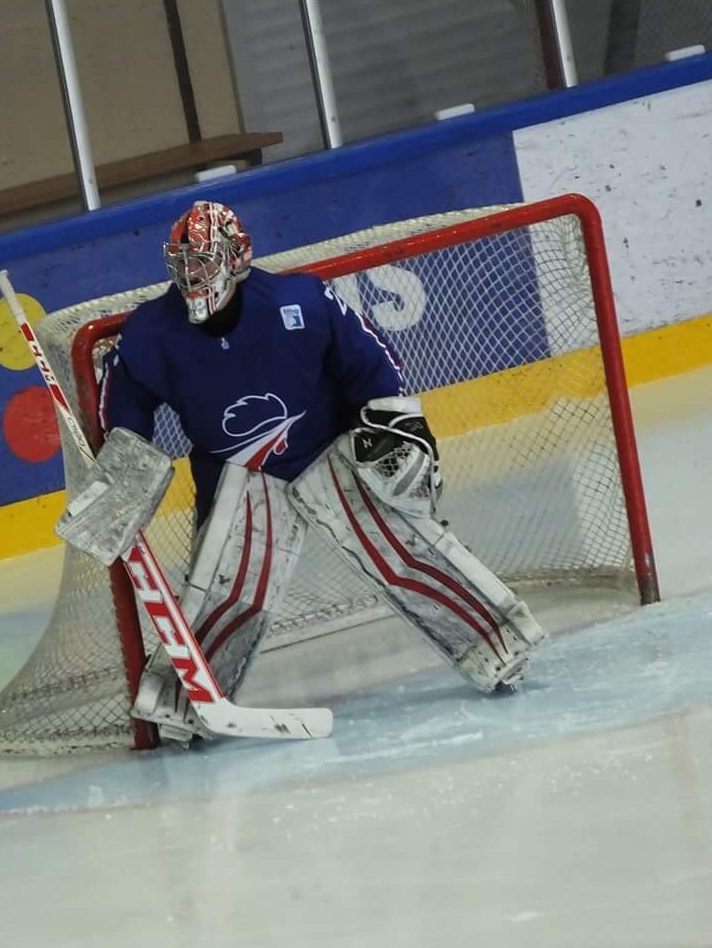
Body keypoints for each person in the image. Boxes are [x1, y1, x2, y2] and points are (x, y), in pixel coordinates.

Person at [59, 200, 546, 745]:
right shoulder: (151, 333)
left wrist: (399, 425)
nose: (192, 275)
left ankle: (496, 642)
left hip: (326, 452)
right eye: (184, 262)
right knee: (230, 592)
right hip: (236, 475)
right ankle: (184, 706)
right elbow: (126, 405)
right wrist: (123, 469)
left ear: (238, 257)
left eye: (204, 260)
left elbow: (370, 362)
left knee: (402, 554)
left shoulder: (299, 302)